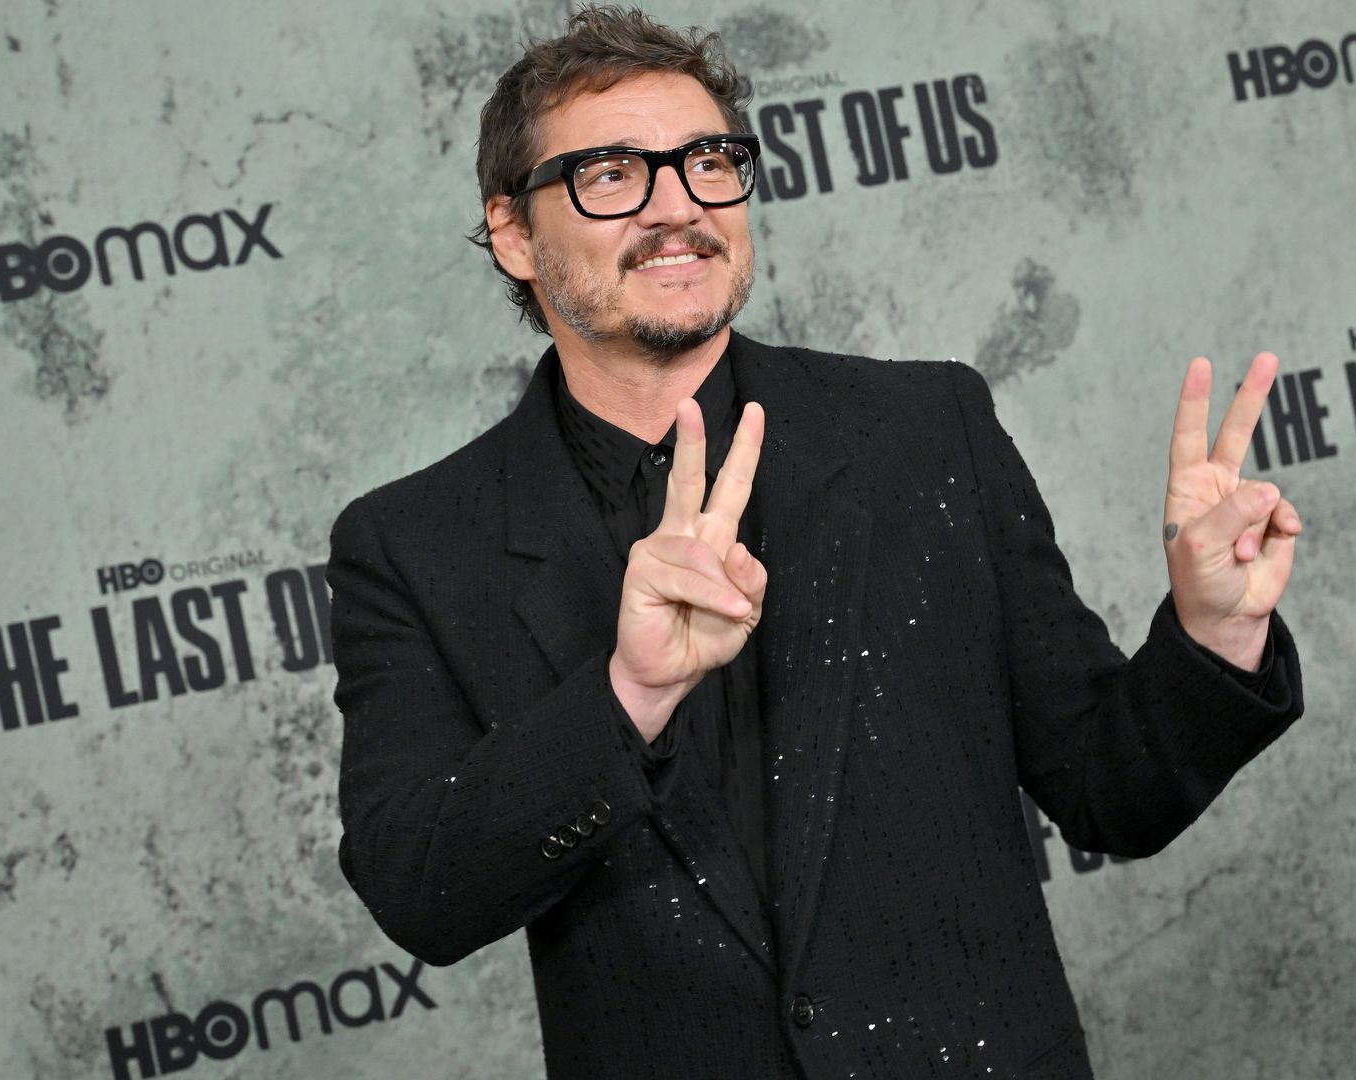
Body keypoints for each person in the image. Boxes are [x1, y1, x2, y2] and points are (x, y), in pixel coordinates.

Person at [327, 7, 1305, 1078]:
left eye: (708, 162)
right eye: (613, 174)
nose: (677, 207)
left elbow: (1110, 789)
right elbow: (422, 889)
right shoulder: (416, 544)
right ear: (513, 231)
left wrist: (1212, 637)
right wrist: (626, 699)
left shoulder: (928, 434)